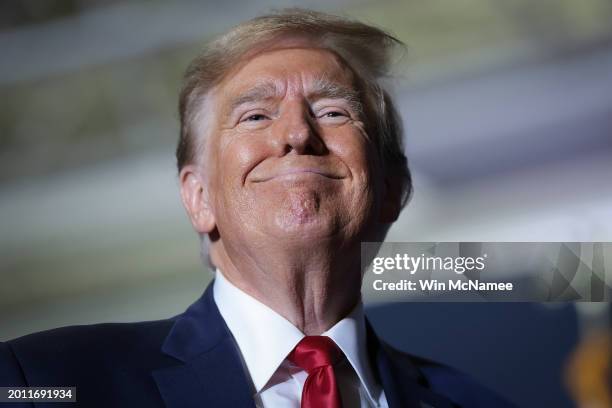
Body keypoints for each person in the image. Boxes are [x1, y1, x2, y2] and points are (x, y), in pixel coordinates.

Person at [0, 9, 515, 408]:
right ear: (199, 199)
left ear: (392, 190)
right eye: (254, 116)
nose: (295, 134)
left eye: (333, 111)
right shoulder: (44, 382)